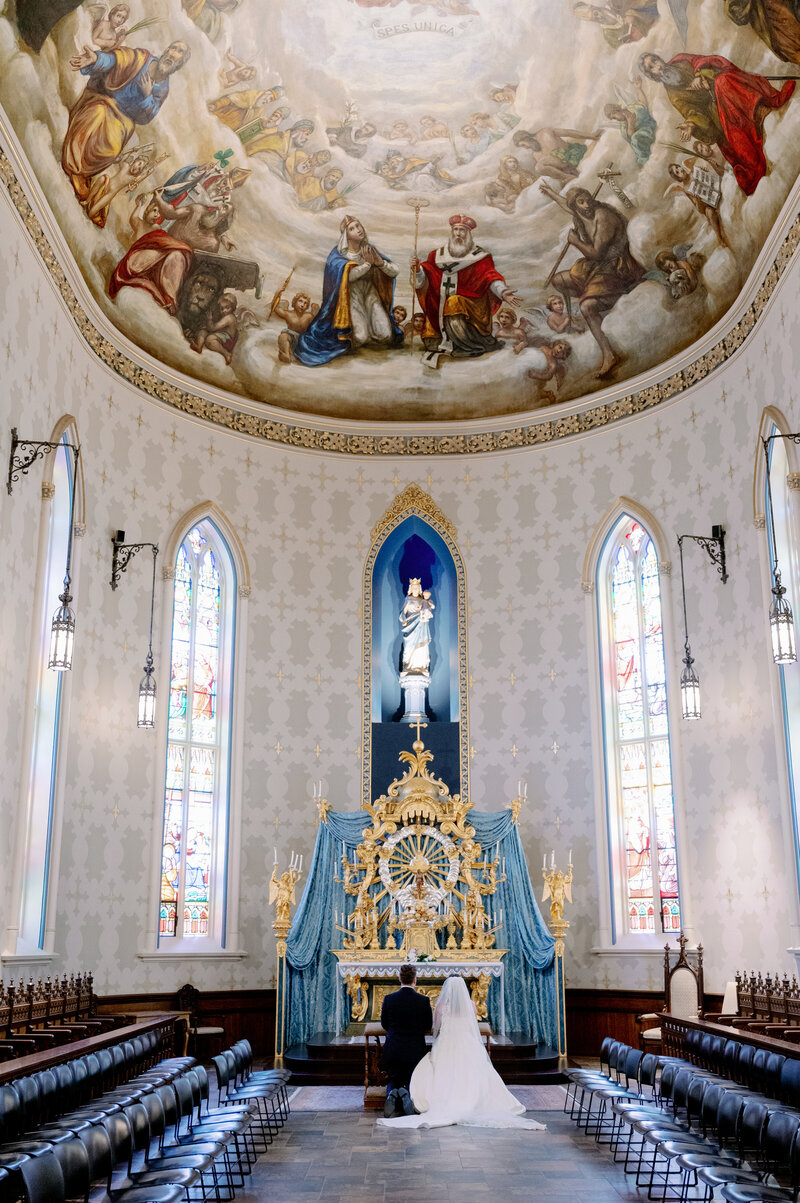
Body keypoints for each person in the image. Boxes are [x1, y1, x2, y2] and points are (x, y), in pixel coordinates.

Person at [378, 976, 547, 1130]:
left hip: (445, 1044)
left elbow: (435, 1030)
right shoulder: (471, 1005)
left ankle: (400, 1092)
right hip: (467, 1042)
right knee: (474, 1069)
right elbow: (472, 1027)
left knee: (432, 1066)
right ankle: (470, 1099)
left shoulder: (441, 1006)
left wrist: (439, 1040)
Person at [638, 50, 795, 195]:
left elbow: (705, 61)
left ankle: (763, 106)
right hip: (714, 111)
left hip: (725, 85)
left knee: (722, 80)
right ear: (653, 75)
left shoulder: (681, 60)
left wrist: (702, 75)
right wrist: (691, 124)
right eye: (651, 67)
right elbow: (693, 113)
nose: (657, 66)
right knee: (745, 152)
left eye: (655, 60)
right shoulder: (673, 95)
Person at [539, 183, 644, 376]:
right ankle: (595, 306)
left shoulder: (603, 217)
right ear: (575, 205)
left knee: (586, 307)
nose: (586, 205)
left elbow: (596, 253)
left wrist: (575, 241)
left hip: (616, 267)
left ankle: (608, 353)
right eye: (581, 202)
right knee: (559, 281)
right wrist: (551, 193)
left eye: (588, 200)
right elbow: (565, 204)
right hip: (595, 267)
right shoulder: (578, 212)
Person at [292, 216, 401, 366]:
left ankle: (368, 331)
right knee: (361, 337)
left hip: (370, 294)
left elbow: (394, 271)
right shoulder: (339, 254)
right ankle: (351, 334)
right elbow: (349, 276)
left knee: (385, 335)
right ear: (346, 235)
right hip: (350, 297)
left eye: (359, 225)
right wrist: (368, 265)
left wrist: (381, 263)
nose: (358, 230)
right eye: (352, 228)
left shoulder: (369, 249)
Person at [413, 215, 519, 362]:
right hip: (438, 305)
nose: (458, 234)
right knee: (431, 342)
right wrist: (418, 270)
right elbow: (424, 279)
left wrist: (503, 292)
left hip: (472, 308)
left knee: (453, 302)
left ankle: (468, 346)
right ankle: (447, 339)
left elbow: (491, 278)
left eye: (462, 230)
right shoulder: (437, 255)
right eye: (455, 229)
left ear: (468, 234)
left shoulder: (480, 257)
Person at [380, 964, 432, 1118]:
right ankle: (407, 1093)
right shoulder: (423, 1001)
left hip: (393, 1049)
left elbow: (384, 1024)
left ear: (399, 979)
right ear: (415, 980)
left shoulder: (389, 999)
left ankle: (393, 1093)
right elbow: (427, 1025)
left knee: (394, 1075)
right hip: (415, 1050)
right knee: (412, 1076)